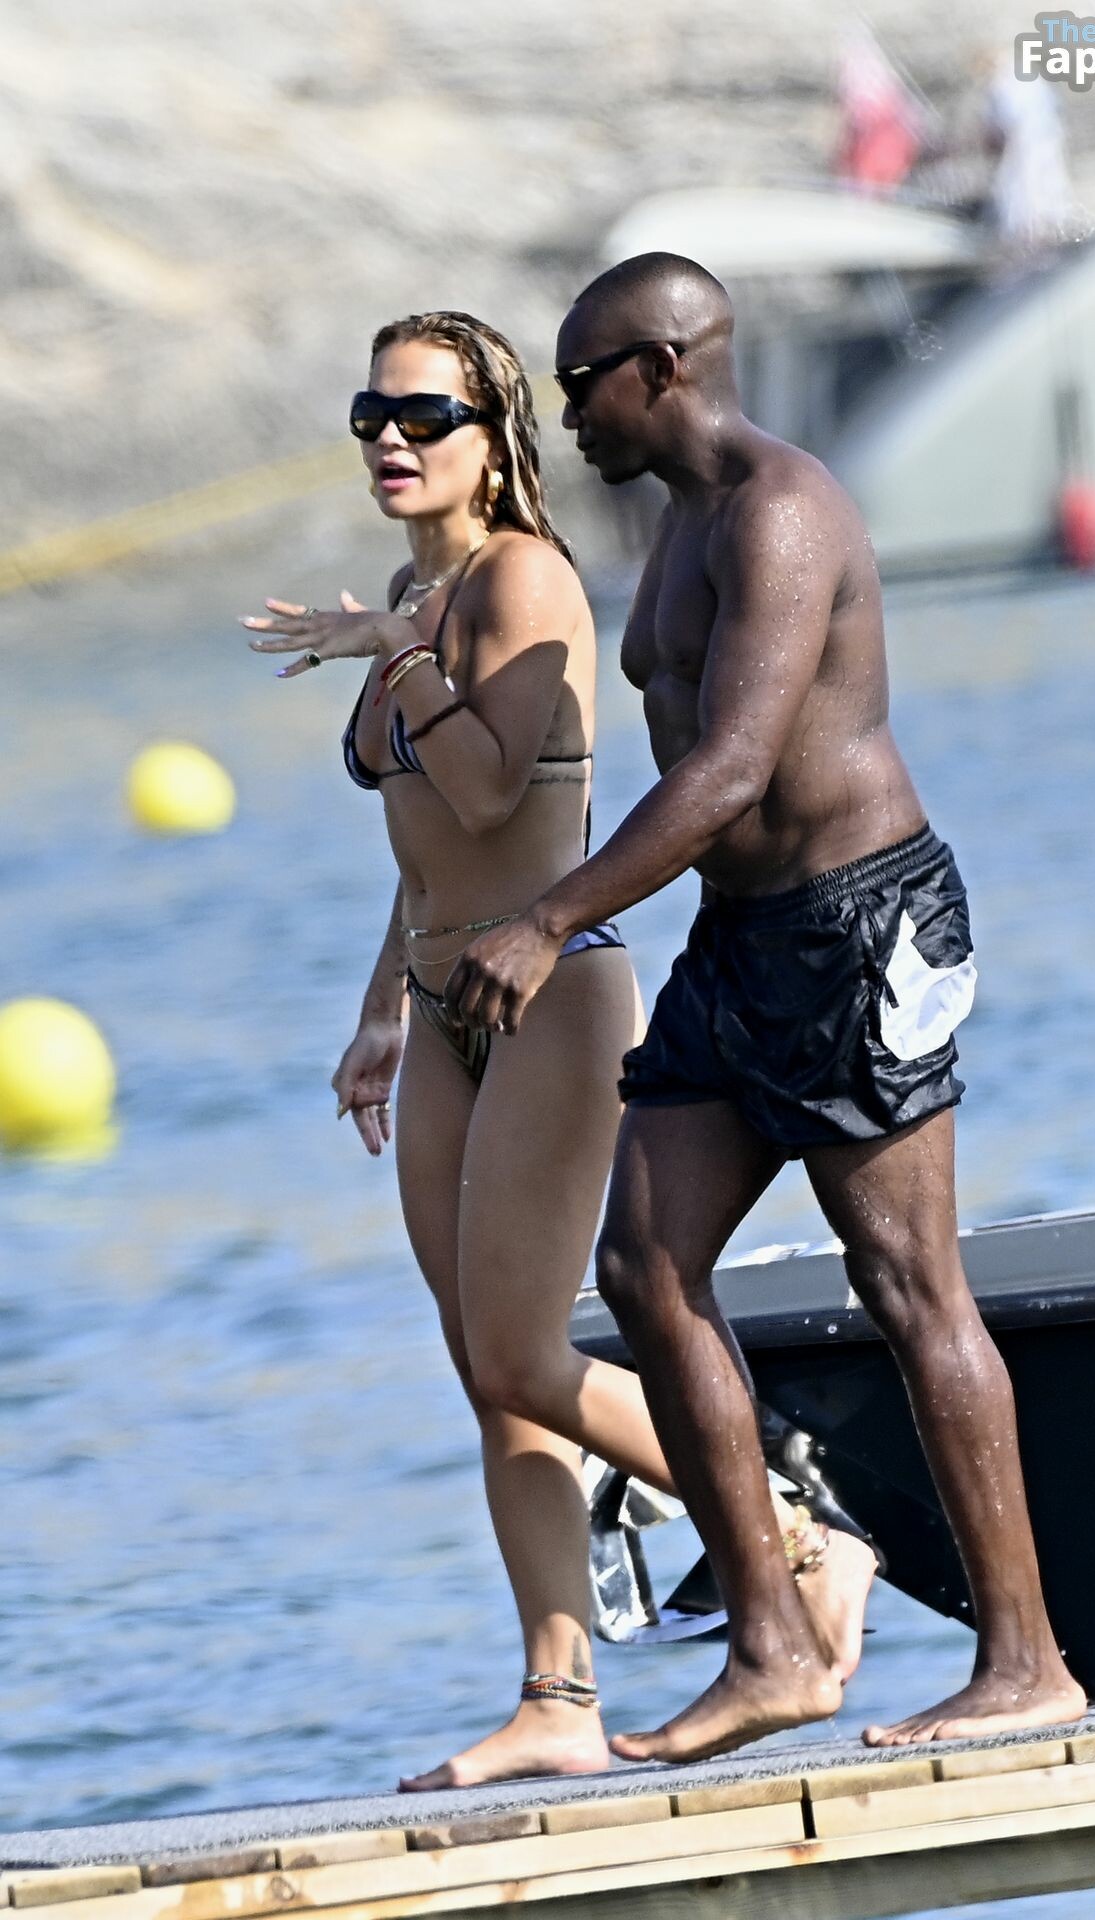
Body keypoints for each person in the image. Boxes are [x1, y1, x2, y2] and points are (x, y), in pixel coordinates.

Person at [443, 255, 1089, 1766]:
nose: (569, 414)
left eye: (583, 382)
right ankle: (774, 1647)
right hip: (741, 939)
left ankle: (1028, 1663)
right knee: (644, 1266)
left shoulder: (782, 511)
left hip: (861, 926)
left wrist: (551, 919)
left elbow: (732, 767)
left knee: (907, 1281)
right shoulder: (676, 523)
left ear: (662, 368)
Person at [240, 309, 871, 1790]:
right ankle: (556, 1697)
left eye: (425, 417)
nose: (392, 441)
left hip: (553, 998)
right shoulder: (422, 590)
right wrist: (382, 1007)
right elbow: (428, 850)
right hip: (443, 1007)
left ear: (495, 437)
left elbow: (487, 786)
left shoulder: (523, 577)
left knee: (529, 1351)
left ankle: (801, 1535)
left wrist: (399, 658)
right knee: (487, 1370)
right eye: (373, 415)